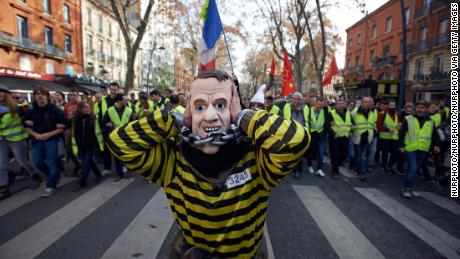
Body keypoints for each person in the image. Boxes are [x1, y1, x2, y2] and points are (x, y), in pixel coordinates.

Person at [108, 70, 309, 258]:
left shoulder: (256, 156)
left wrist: (242, 116)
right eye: (200, 107)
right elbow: (119, 143)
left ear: (233, 108)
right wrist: (177, 119)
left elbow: (296, 141)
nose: (210, 116)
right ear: (189, 110)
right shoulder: (172, 159)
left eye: (221, 105)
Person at [0, 84, 42, 200]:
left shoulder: (16, 107)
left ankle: (35, 176)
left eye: (1, 92)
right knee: (1, 165)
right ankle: (4, 188)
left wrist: (30, 122)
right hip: (2, 141)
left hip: (16, 140)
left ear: (6, 94)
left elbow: (31, 117)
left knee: (23, 162)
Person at [23, 87, 67, 197]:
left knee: (52, 163)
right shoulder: (31, 110)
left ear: (47, 96)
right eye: (37, 94)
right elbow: (25, 125)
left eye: (42, 94)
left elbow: (64, 125)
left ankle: (50, 186)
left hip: (51, 139)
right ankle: (54, 176)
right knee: (38, 163)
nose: (40, 96)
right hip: (37, 140)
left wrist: (48, 134)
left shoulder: (55, 109)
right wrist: (35, 134)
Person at [399, 101, 440, 198]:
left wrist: (436, 145)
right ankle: (406, 188)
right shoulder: (408, 119)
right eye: (418, 107)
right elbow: (402, 133)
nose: (420, 109)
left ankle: (409, 187)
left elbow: (434, 134)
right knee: (412, 168)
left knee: (414, 169)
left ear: (425, 109)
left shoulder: (430, 121)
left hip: (422, 148)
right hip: (410, 148)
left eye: (422, 107)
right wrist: (401, 145)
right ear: (415, 108)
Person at [71, 101, 104, 190]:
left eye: (89, 107)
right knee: (89, 161)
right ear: (80, 109)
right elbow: (74, 134)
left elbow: (97, 133)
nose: (88, 108)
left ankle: (82, 182)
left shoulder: (93, 118)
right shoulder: (75, 119)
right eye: (86, 107)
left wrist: (99, 147)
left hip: (90, 145)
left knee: (85, 163)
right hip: (80, 145)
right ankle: (98, 174)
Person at [281, 92, 310, 179]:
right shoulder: (287, 107)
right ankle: (288, 168)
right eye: (294, 99)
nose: (295, 101)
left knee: (299, 153)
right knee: (289, 151)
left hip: (302, 133)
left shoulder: (306, 108)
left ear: (301, 100)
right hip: (290, 133)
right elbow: (284, 119)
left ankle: (298, 170)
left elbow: (308, 120)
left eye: (298, 99)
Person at [104, 93, 134, 181]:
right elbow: (104, 121)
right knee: (116, 155)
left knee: (128, 154)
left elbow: (133, 122)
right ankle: (119, 174)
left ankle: (129, 167)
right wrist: (107, 124)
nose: (126, 101)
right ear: (119, 101)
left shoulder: (129, 110)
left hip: (126, 136)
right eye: (125, 100)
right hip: (114, 136)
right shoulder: (110, 110)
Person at [351, 97, 376, 181]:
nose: (368, 104)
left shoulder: (371, 112)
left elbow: (371, 124)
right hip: (357, 137)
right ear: (361, 103)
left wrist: (374, 132)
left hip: (367, 138)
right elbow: (349, 123)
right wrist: (351, 128)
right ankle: (360, 173)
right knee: (360, 156)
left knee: (359, 154)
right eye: (365, 102)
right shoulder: (354, 112)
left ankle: (352, 166)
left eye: (369, 102)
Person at [328, 98, 351, 179]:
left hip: (345, 137)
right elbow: (328, 126)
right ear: (335, 105)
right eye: (339, 104)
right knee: (334, 155)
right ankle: (335, 172)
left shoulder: (348, 113)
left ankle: (337, 163)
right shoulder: (331, 113)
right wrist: (333, 134)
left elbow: (352, 123)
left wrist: (352, 129)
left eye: (342, 103)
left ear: (345, 104)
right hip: (335, 138)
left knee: (345, 154)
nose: (341, 105)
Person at [377, 99, 401, 175]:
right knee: (385, 153)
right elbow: (379, 125)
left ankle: (390, 167)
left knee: (395, 153)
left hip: (394, 137)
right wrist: (387, 129)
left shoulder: (397, 114)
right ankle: (384, 167)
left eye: (394, 105)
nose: (393, 107)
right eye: (391, 105)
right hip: (385, 137)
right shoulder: (381, 114)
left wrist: (400, 125)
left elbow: (399, 123)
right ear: (387, 105)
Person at [306, 97, 328, 177]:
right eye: (319, 104)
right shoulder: (309, 110)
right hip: (311, 134)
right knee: (310, 151)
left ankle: (319, 169)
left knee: (321, 153)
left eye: (322, 104)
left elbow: (326, 123)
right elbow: (307, 121)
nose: (320, 106)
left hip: (321, 135)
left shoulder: (325, 111)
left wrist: (325, 133)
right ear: (315, 103)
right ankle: (309, 165)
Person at [63, 88, 82, 175]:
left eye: (74, 95)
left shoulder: (82, 104)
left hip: (80, 129)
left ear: (78, 96)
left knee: (80, 148)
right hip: (70, 129)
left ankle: (84, 165)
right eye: (70, 95)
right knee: (69, 149)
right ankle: (77, 163)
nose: (72, 97)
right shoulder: (66, 106)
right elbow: (65, 118)